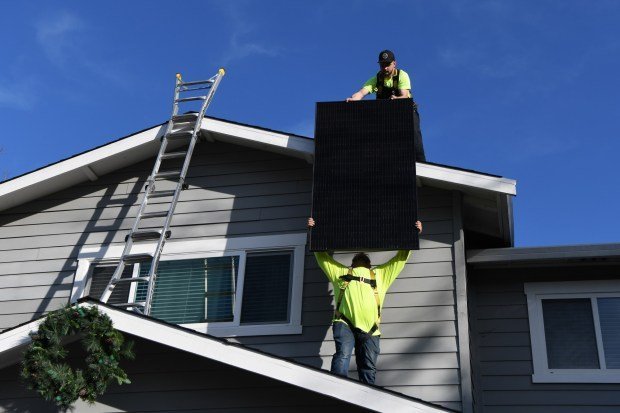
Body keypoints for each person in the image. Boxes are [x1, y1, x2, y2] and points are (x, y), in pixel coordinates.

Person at [307, 217, 423, 384]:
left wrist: (313, 231)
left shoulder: (348, 273)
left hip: (369, 331)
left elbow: (321, 256)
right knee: (353, 361)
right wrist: (414, 234)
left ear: (354, 265)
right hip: (347, 325)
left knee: (350, 360)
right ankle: (339, 390)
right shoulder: (378, 275)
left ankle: (344, 390)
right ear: (368, 265)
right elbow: (401, 258)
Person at [346, 50, 426, 162]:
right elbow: (362, 92)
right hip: (388, 115)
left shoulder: (401, 75)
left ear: (394, 63)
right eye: (382, 65)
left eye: (387, 65)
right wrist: (354, 98)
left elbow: (405, 95)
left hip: (406, 112)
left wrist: (396, 99)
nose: (385, 68)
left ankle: (421, 163)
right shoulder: (376, 81)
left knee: (414, 138)